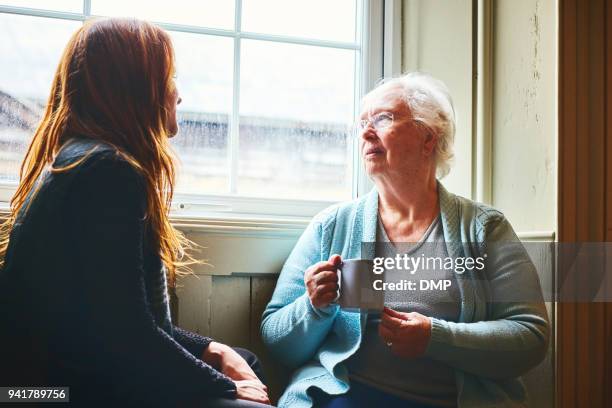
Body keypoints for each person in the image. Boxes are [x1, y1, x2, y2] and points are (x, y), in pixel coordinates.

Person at [0, 18, 271, 408]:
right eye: (170, 76)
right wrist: (223, 386)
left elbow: (120, 316)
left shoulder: (83, 160)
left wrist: (212, 349)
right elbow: (125, 334)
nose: (179, 92)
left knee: (243, 360)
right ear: (139, 88)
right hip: (49, 394)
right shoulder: (107, 172)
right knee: (246, 394)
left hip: (66, 377)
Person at [260, 72, 550, 407]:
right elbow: (277, 341)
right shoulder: (332, 226)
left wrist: (434, 338)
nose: (367, 132)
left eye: (383, 119)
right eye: (363, 123)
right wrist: (314, 307)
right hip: (347, 397)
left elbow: (531, 336)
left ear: (429, 137)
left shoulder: (485, 228)